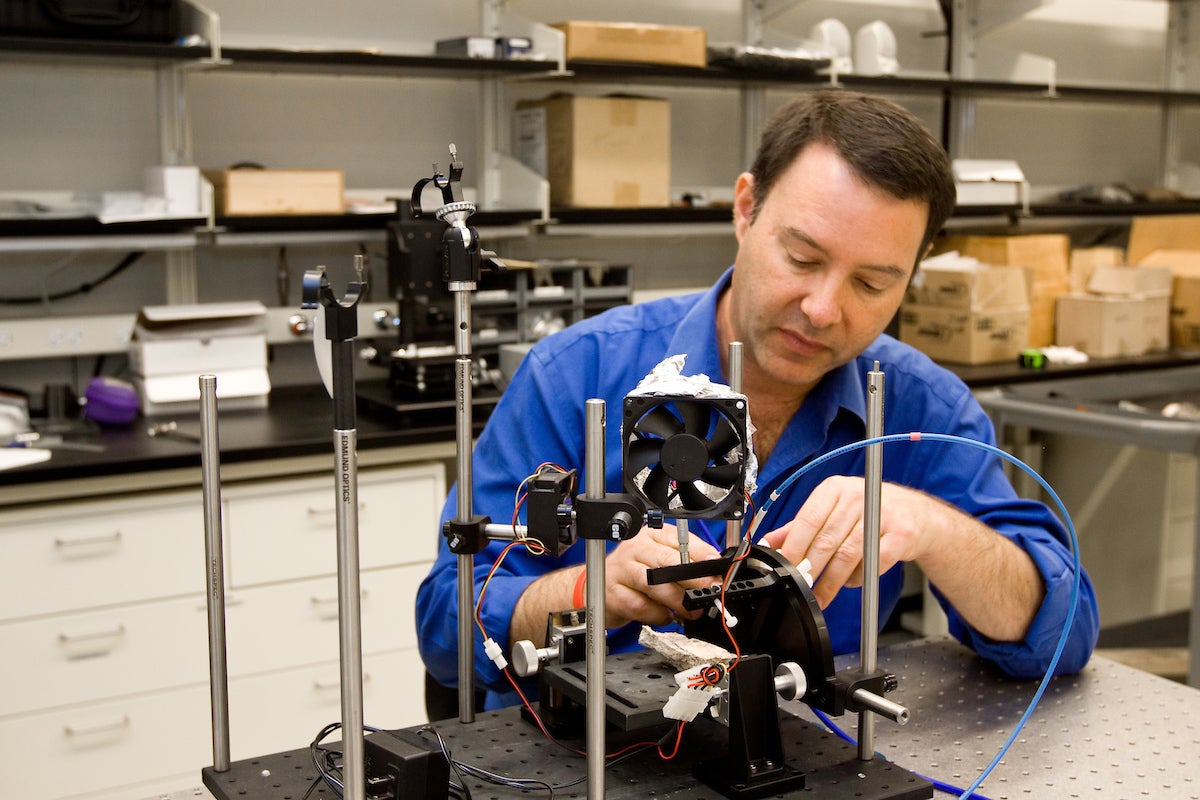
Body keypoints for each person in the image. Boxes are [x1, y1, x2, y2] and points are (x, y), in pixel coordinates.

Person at [416, 89, 1099, 710]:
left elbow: (1060, 637)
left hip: (800, 754)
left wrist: (934, 527)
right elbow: (447, 628)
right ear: (746, 209)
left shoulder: (921, 410)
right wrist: (583, 591)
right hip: (585, 761)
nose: (823, 309)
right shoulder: (578, 375)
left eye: (872, 284)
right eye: (802, 259)